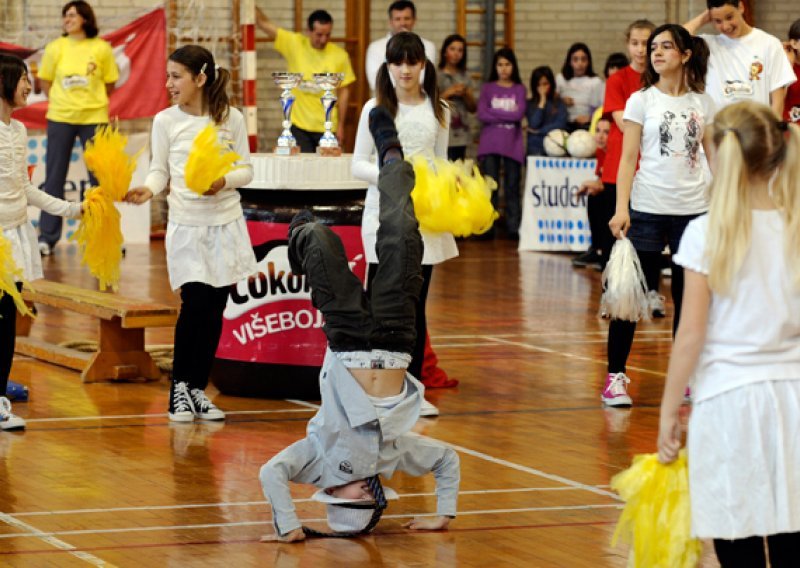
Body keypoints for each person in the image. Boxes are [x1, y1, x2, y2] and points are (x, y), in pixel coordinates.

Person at [259, 108, 459, 542]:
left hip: (346, 335)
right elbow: (447, 460)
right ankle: (391, 154)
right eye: (371, 497)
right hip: (395, 336)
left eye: (354, 497)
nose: (366, 489)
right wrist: (443, 513)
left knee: (317, 238)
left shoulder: (315, 459)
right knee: (403, 233)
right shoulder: (391, 458)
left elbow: (270, 471)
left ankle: (301, 227)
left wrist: (290, 525)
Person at [658, 101, 800, 568]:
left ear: (720, 154)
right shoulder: (794, 225)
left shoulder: (705, 232)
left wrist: (668, 413)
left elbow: (690, 334)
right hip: (793, 400)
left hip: (730, 405)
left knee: (736, 541)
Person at [124, 46, 256, 422]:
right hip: (187, 226)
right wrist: (148, 189)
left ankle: (198, 389)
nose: (169, 84)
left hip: (226, 223)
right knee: (194, 304)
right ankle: (179, 390)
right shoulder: (165, 121)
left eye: (176, 76)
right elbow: (159, 170)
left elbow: (246, 170)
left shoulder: (230, 118)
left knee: (216, 308)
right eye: (167, 76)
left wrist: (223, 180)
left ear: (201, 78)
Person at [604, 24, 715, 407]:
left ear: (685, 55)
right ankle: (615, 378)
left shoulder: (703, 102)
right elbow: (628, 158)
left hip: (694, 212)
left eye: (666, 47)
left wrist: (722, 204)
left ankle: (687, 377)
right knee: (628, 297)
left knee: (689, 301)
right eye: (654, 47)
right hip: (647, 209)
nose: (657, 53)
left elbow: (713, 157)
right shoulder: (641, 101)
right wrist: (621, 208)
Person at [352, 32, 453, 417]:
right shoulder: (374, 108)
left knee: (415, 307)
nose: (406, 69)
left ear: (423, 65)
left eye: (413, 62)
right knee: (381, 307)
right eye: (398, 62)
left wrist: (449, 183)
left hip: (424, 221)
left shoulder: (439, 108)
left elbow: (441, 162)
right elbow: (357, 163)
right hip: (382, 218)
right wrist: (393, 176)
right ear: (388, 67)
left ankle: (412, 390)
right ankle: (377, 389)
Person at [0, 54, 83, 431]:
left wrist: (72, 209)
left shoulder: (19, 130)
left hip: (15, 237)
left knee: (6, 324)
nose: (29, 86)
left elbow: (26, 188)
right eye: (23, 79)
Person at [37, 0, 118, 256]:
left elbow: (109, 84)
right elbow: (45, 81)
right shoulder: (55, 47)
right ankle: (47, 238)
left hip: (94, 118)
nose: (67, 19)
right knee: (54, 178)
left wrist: (89, 102)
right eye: (65, 16)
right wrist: (65, 102)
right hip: (60, 117)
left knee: (99, 181)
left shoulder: (102, 48)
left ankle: (101, 238)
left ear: (85, 18)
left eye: (72, 15)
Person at [597, 20, 656, 271]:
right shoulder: (617, 80)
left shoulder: (661, 79)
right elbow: (623, 123)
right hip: (619, 167)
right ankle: (611, 293)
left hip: (651, 167)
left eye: (646, 43)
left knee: (646, 236)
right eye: (635, 43)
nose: (641, 49)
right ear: (627, 44)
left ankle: (648, 292)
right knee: (614, 234)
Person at [255, 8, 356, 152]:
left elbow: (344, 91)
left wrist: (341, 125)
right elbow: (263, 22)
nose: (323, 39)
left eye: (328, 35)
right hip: (299, 126)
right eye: (319, 35)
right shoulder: (294, 44)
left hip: (327, 126)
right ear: (308, 31)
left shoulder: (340, 55)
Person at [684, 0, 796, 116]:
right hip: (717, 128)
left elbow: (777, 100)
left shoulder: (769, 44)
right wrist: (704, 17)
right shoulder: (708, 45)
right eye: (718, 21)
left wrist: (773, 130)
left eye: (729, 17)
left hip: (755, 128)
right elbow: (676, 39)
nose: (726, 26)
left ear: (741, 7)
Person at [477, 47, 527, 239]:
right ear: (495, 67)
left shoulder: (519, 89)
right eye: (500, 64)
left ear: (513, 66)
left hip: (512, 145)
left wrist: (494, 114)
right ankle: (487, 227)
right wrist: (507, 117)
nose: (504, 68)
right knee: (490, 186)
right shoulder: (488, 88)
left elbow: (518, 114)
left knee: (513, 186)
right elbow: (482, 114)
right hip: (490, 144)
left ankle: (513, 227)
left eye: (507, 64)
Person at [365, 0, 437, 92]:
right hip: (386, 101)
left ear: (414, 20)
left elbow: (425, 78)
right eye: (398, 19)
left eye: (407, 18)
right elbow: (376, 82)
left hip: (418, 99)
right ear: (390, 21)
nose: (403, 23)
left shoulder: (428, 46)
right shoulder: (375, 47)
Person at [574, 117, 610, 270]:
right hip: (611, 189)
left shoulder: (617, 152)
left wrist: (594, 184)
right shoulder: (600, 152)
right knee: (594, 197)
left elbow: (611, 182)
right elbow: (602, 179)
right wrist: (593, 185)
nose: (600, 136)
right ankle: (597, 249)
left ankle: (606, 252)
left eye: (606, 132)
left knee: (601, 198)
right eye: (598, 131)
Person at [437, 34, 476, 161]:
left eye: (460, 50)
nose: (456, 53)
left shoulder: (465, 76)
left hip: (461, 135)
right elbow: (430, 103)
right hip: (441, 132)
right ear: (444, 51)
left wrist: (466, 94)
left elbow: (473, 108)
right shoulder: (437, 75)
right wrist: (448, 92)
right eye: (452, 49)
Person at [556, 42, 605, 131]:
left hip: (587, 125)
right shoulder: (561, 79)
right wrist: (561, 101)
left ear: (588, 62)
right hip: (564, 124)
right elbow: (552, 102)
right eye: (575, 59)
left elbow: (602, 108)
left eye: (583, 59)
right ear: (569, 62)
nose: (580, 63)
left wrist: (590, 117)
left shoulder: (596, 82)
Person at [526, 65, 568, 156]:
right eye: (539, 85)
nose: (542, 88)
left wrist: (540, 131)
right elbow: (534, 123)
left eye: (545, 84)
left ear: (551, 84)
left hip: (555, 146)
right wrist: (542, 101)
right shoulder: (530, 103)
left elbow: (560, 124)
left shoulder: (559, 103)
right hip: (535, 147)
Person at [784, 19, 800, 123]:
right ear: (794, 43)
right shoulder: (785, 66)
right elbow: (776, 100)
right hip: (790, 130)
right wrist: (788, 65)